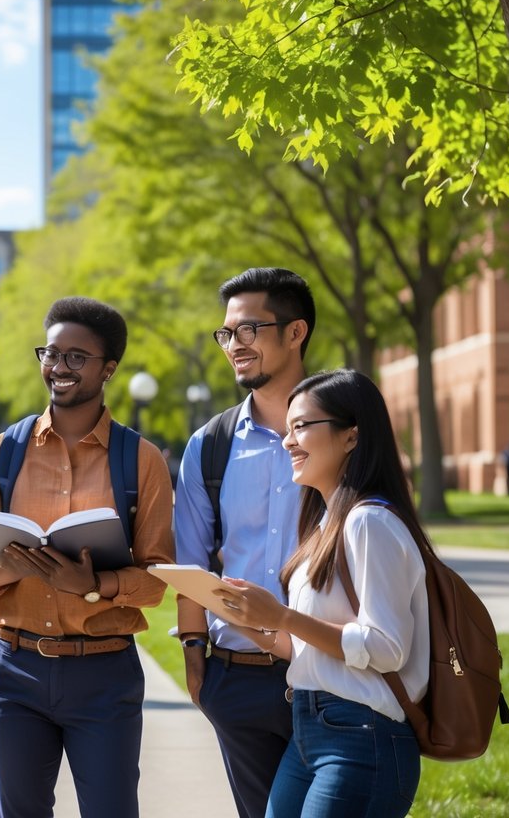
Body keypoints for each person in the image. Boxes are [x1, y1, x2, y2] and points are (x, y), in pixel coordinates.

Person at [0, 297, 175, 818]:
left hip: (103, 676)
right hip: (14, 674)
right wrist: (4, 567)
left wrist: (96, 585)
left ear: (109, 369)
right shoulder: (2, 454)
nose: (58, 367)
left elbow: (159, 579)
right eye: (51, 353)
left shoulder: (140, 460)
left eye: (77, 357)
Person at [214, 369, 429, 817]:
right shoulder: (324, 524)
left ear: (351, 436)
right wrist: (250, 623)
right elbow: (308, 649)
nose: (288, 441)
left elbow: (387, 648)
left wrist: (283, 617)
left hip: (363, 734)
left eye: (301, 427)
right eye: (287, 428)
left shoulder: (370, 522)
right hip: (309, 729)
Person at [172, 267, 316, 818]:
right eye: (227, 333)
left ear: (295, 332)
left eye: (249, 330)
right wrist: (195, 659)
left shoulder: (348, 431)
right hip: (239, 680)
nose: (235, 345)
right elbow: (189, 560)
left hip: (331, 676)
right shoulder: (209, 445)